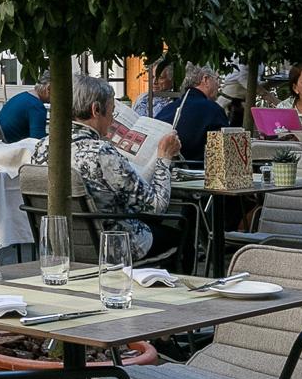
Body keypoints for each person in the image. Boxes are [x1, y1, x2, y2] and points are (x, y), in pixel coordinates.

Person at [66, 75, 171, 258]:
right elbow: (157, 206)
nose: (113, 120)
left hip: (66, 242)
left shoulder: (43, 147)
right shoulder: (102, 153)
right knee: (182, 234)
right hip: (114, 244)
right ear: (96, 110)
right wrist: (164, 158)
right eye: (112, 112)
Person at [168, 64, 229, 164]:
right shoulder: (213, 110)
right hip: (198, 174)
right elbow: (224, 154)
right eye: (217, 79)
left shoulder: (166, 109)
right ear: (205, 79)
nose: (218, 85)